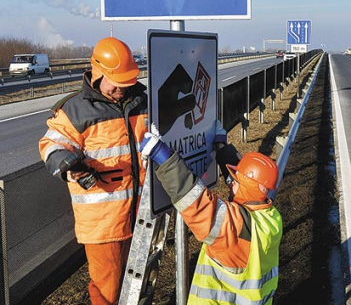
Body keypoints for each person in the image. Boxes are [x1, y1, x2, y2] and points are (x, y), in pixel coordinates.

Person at [39, 37, 148, 305]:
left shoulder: (143, 102)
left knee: (138, 282)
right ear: (98, 73)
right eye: (118, 83)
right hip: (104, 222)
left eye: (128, 81)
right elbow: (51, 143)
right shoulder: (75, 110)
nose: (123, 88)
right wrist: (67, 162)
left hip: (142, 213)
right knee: (107, 288)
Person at [140, 121, 283, 304]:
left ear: (246, 189)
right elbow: (245, 183)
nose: (231, 183)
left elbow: (195, 200)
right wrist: (222, 147)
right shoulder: (270, 217)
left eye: (235, 181)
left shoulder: (234, 229)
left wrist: (162, 156)